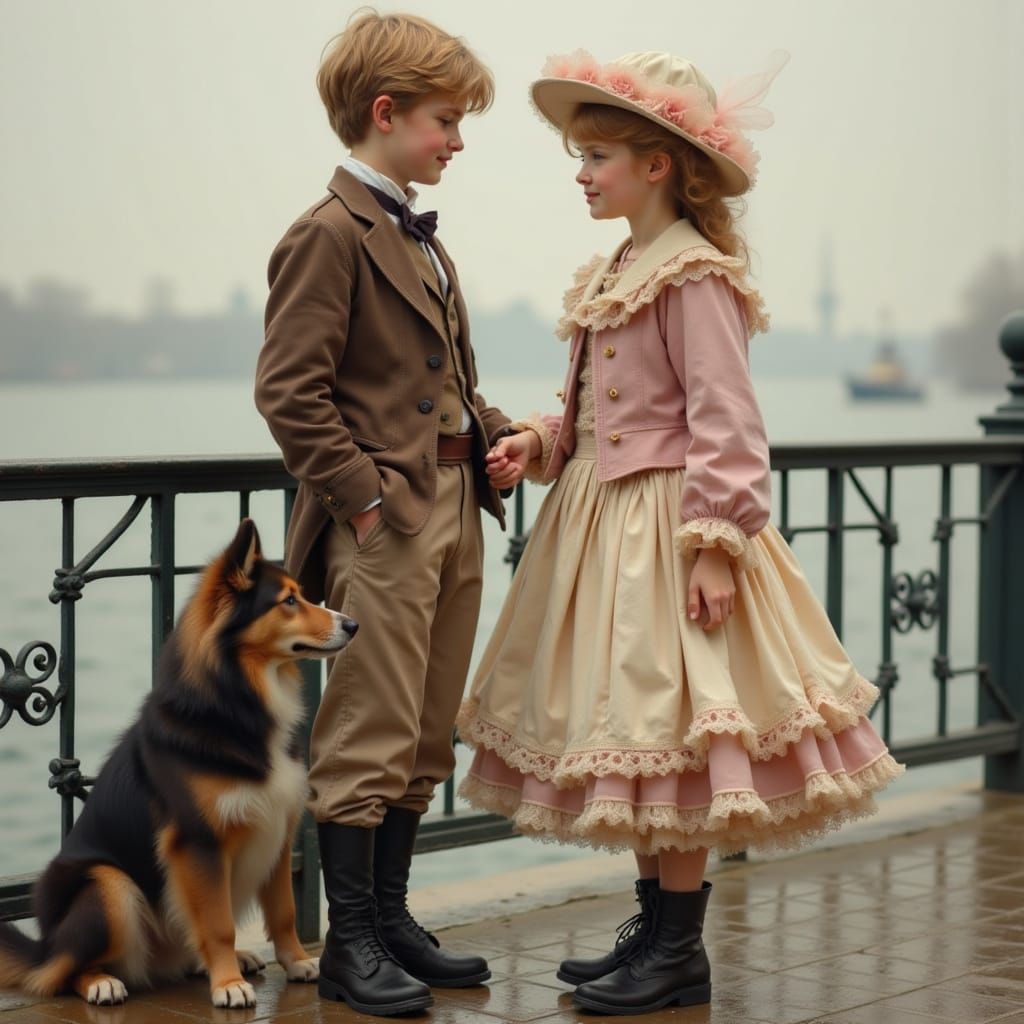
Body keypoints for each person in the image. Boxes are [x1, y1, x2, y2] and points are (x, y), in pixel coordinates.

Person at [458, 50, 904, 1017]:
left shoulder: (694, 273)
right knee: (641, 738)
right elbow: (599, 410)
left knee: (677, 732)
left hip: (667, 528)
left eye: (598, 157)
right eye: (580, 158)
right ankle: (658, 939)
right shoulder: (618, 267)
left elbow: (726, 420)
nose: (582, 175)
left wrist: (712, 545)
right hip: (603, 524)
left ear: (657, 165)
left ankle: (676, 949)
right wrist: (538, 442)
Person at [254, 11, 518, 1017]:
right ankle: (351, 941)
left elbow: (440, 383)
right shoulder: (328, 232)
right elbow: (290, 393)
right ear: (386, 112)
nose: (458, 141)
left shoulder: (413, 232)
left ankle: (393, 920)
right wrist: (363, 504)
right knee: (368, 727)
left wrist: (496, 435)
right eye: (447, 121)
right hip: (388, 521)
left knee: (425, 727)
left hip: (455, 503)